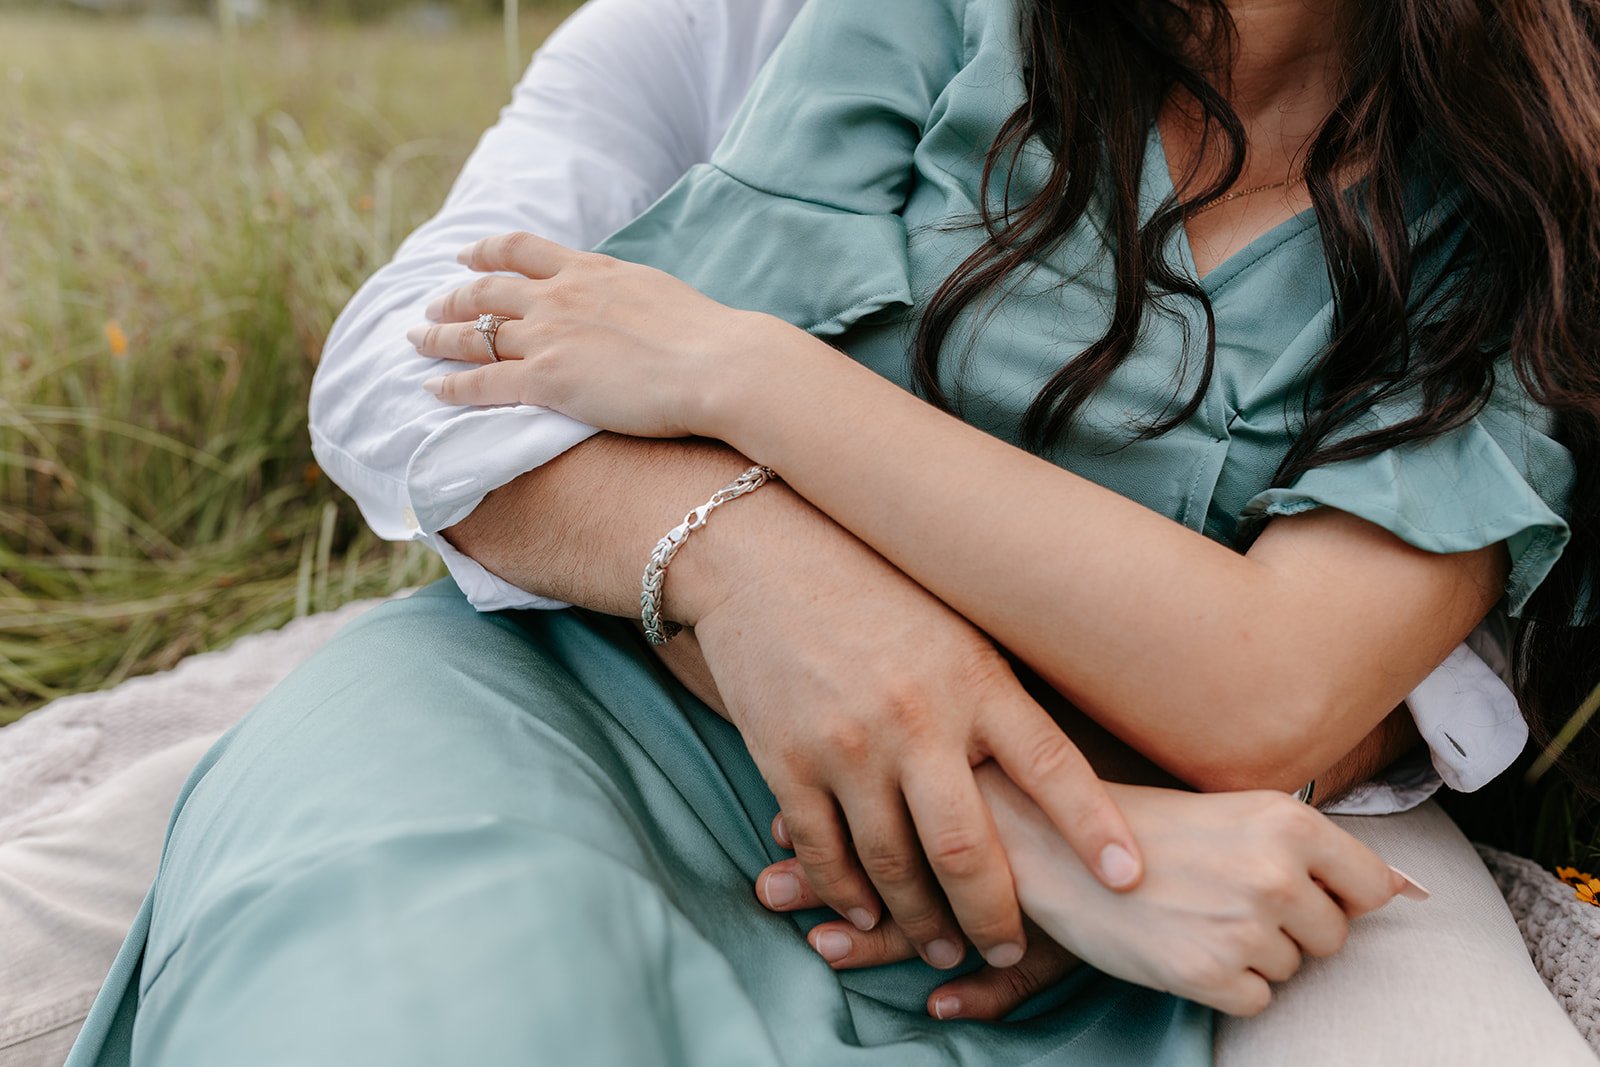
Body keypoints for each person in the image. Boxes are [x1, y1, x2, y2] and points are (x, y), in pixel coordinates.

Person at [64, 0, 1598, 1063]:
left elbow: (1267, 690)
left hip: (1077, 892)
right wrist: (1010, 834)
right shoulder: (925, 24)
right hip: (617, 704)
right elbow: (478, 363)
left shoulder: (1519, 198)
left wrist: (761, 376)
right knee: (422, 1001)